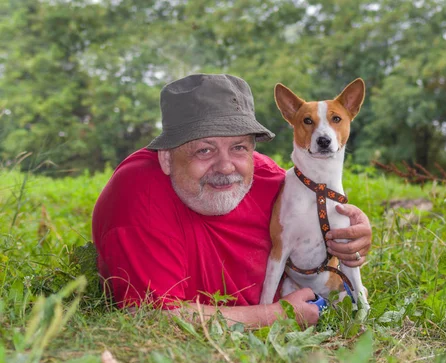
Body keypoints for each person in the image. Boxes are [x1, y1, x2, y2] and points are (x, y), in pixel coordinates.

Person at [92, 74, 372, 327]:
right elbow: (152, 318)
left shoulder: (266, 177)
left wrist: (354, 231)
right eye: (204, 150)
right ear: (166, 157)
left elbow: (319, 211)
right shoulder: (139, 198)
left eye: (239, 147)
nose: (226, 167)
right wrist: (274, 315)